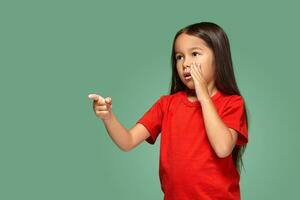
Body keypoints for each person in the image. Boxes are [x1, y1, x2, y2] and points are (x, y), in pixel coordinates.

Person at [88, 21, 249, 200]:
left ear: (218, 57)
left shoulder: (232, 103)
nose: (185, 63)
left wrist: (203, 96)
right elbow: (128, 141)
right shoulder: (167, 104)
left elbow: (222, 148)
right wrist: (108, 117)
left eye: (194, 54)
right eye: (179, 57)